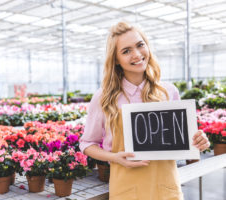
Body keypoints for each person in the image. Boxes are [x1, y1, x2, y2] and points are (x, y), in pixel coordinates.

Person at [79, 21, 210, 200]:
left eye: (140, 45)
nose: (137, 54)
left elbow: (183, 140)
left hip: (166, 188)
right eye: (126, 51)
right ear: (116, 59)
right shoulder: (104, 97)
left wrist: (199, 140)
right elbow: (87, 143)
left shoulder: (168, 91)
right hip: (126, 188)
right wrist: (114, 157)